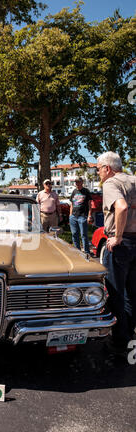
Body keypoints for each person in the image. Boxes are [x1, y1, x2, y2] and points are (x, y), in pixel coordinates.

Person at [97, 151, 136, 356]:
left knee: (115, 291)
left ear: (107, 168)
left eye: (98, 170)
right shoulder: (134, 180)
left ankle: (120, 341)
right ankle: (129, 333)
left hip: (121, 245)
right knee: (133, 292)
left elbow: (120, 207)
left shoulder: (111, 183)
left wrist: (118, 236)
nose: (98, 174)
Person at [69, 177, 93, 254]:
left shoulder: (86, 191)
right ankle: (77, 252)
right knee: (74, 234)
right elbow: (72, 204)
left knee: (84, 235)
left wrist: (89, 215)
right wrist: (70, 215)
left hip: (82, 216)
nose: (77, 184)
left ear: (82, 182)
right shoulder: (74, 191)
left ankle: (87, 252)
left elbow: (90, 205)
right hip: (73, 217)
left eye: (78, 182)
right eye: (76, 182)